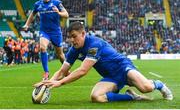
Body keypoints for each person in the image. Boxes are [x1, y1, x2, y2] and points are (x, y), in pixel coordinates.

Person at [36, 21, 173, 102]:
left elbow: (83, 70)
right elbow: (62, 71)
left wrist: (59, 82)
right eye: (70, 37)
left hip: (123, 67)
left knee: (146, 88)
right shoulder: (74, 49)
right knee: (96, 97)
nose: (72, 40)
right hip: (111, 77)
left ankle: (159, 84)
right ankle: (130, 97)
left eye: (74, 37)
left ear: (83, 34)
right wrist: (47, 84)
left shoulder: (94, 44)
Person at [23, 0, 69, 80]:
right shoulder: (38, 4)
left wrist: (58, 13)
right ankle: (46, 72)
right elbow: (32, 14)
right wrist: (27, 24)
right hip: (44, 31)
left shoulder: (57, 3)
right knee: (42, 48)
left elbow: (66, 15)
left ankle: (67, 71)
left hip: (56, 32)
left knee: (60, 54)